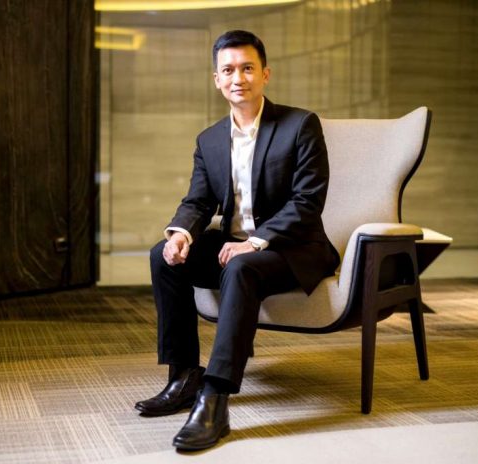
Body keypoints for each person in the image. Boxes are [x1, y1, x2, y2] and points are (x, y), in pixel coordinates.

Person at [135, 30, 340, 451]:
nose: (238, 78)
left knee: (242, 264)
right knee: (163, 256)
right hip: (235, 247)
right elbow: (198, 201)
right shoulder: (209, 139)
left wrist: (257, 241)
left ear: (265, 74)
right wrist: (180, 234)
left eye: (247, 68)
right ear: (217, 79)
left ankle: (215, 396)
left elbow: (307, 201)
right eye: (228, 70)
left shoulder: (300, 125)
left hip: (294, 250)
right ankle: (184, 376)